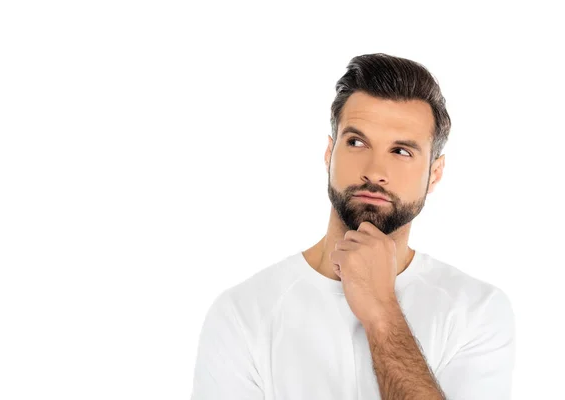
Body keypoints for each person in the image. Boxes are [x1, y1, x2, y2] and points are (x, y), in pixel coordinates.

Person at [190, 53, 516, 399]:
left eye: (401, 151)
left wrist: (382, 314)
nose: (374, 170)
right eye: (357, 143)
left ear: (434, 173)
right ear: (330, 153)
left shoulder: (477, 311)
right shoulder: (243, 314)